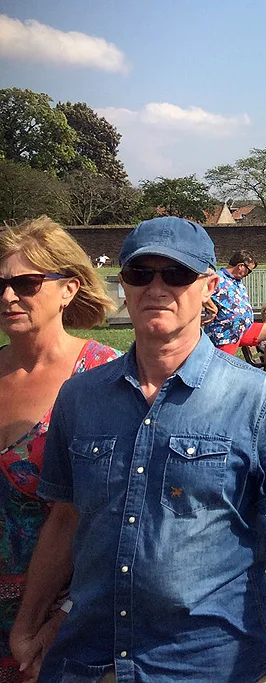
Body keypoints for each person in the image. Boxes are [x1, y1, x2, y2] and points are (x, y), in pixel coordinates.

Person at [11, 216, 266, 682]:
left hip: (212, 659)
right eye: (142, 274)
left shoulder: (258, 400)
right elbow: (65, 519)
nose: (157, 287)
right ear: (125, 286)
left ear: (209, 286)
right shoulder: (81, 398)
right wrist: (27, 622)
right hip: (91, 656)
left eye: (176, 274)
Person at [1, 217, 119, 681]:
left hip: (65, 618)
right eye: (0, 283)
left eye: (26, 283)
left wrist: (60, 618)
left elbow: (118, 516)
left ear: (68, 289)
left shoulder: (102, 378)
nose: (8, 296)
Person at [202, 250, 262, 355]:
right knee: (221, 368)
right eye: (249, 271)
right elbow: (199, 291)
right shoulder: (217, 278)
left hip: (242, 331)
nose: (248, 275)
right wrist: (213, 309)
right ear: (241, 266)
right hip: (224, 334)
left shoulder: (238, 282)